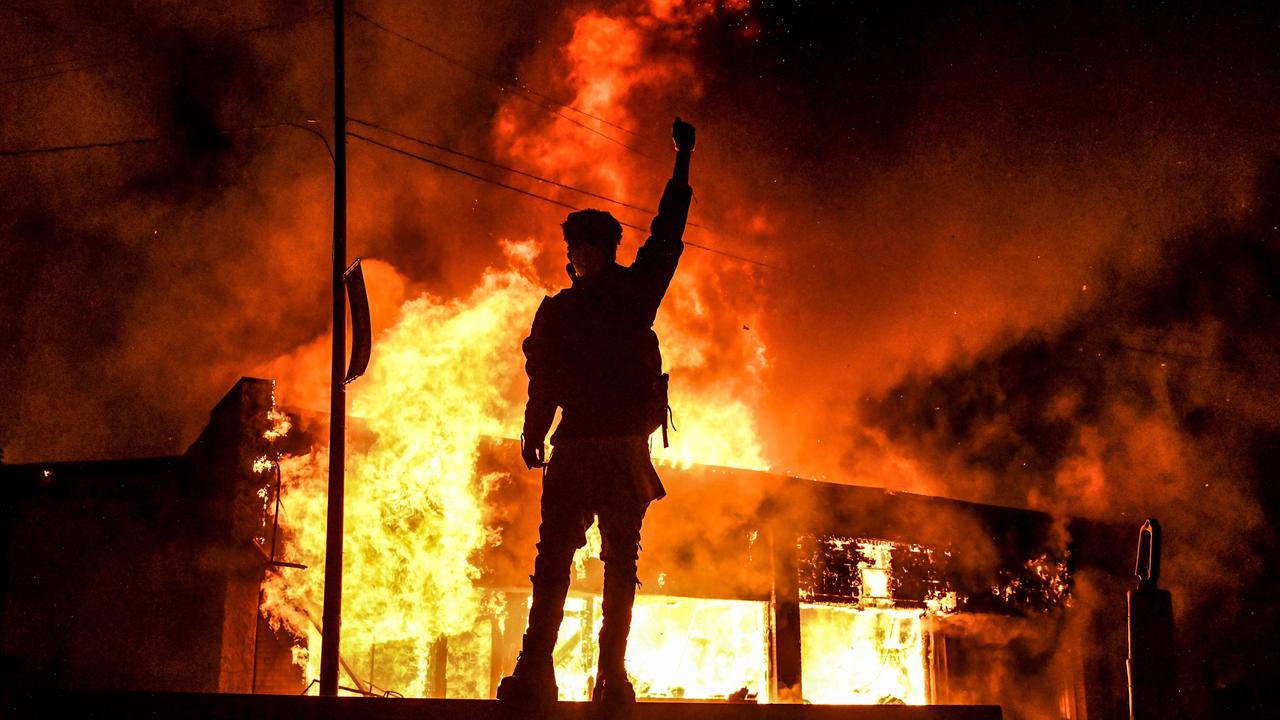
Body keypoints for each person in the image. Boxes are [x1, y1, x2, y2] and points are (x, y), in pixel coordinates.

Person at [497, 117, 696, 706]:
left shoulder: (584, 306)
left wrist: (683, 160)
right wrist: (534, 431)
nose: (581, 255)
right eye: (579, 246)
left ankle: (575, 672)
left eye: (586, 245)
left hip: (597, 449)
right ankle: (573, 672)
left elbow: (667, 233)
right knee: (587, 563)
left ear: (594, 251)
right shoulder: (603, 302)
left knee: (581, 563)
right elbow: (545, 379)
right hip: (598, 449)